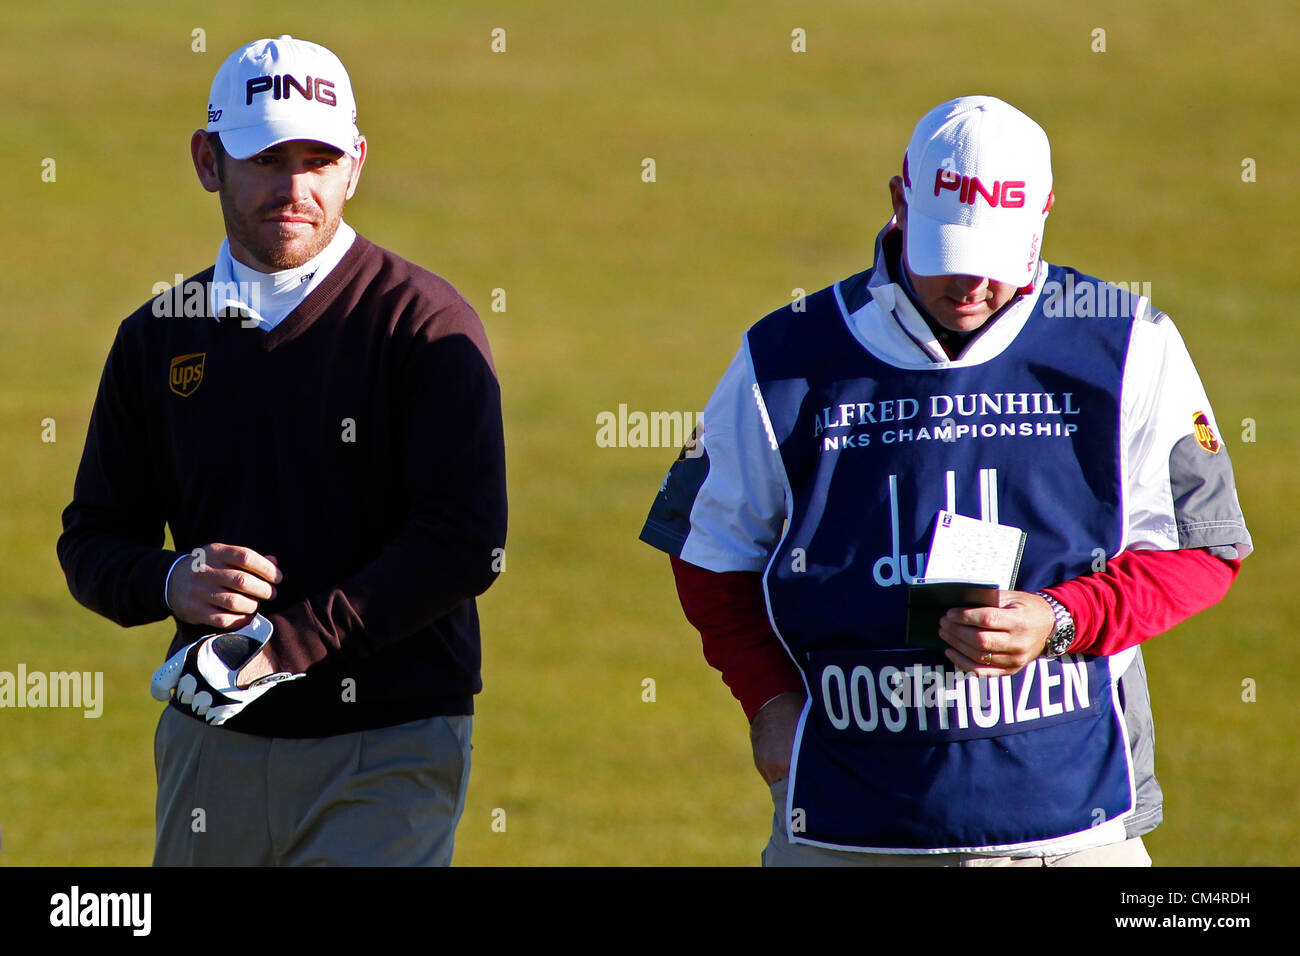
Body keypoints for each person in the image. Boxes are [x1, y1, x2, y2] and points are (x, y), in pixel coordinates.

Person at [639, 95, 1251, 866]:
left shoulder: (1129, 344)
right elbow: (709, 549)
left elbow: (1204, 551)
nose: (968, 286)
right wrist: (768, 701)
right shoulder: (785, 356)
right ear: (900, 200)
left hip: (1072, 829)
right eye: (945, 252)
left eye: (993, 260)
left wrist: (1059, 620)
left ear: (1044, 214)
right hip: (845, 830)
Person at [57, 35, 507, 866]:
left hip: (390, 744)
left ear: (356, 164)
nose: (295, 188)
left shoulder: (422, 325)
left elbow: (465, 541)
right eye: (267, 158)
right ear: (208, 160)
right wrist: (169, 579)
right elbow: (90, 539)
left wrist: (283, 646)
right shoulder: (158, 336)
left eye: (319, 159)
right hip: (212, 746)